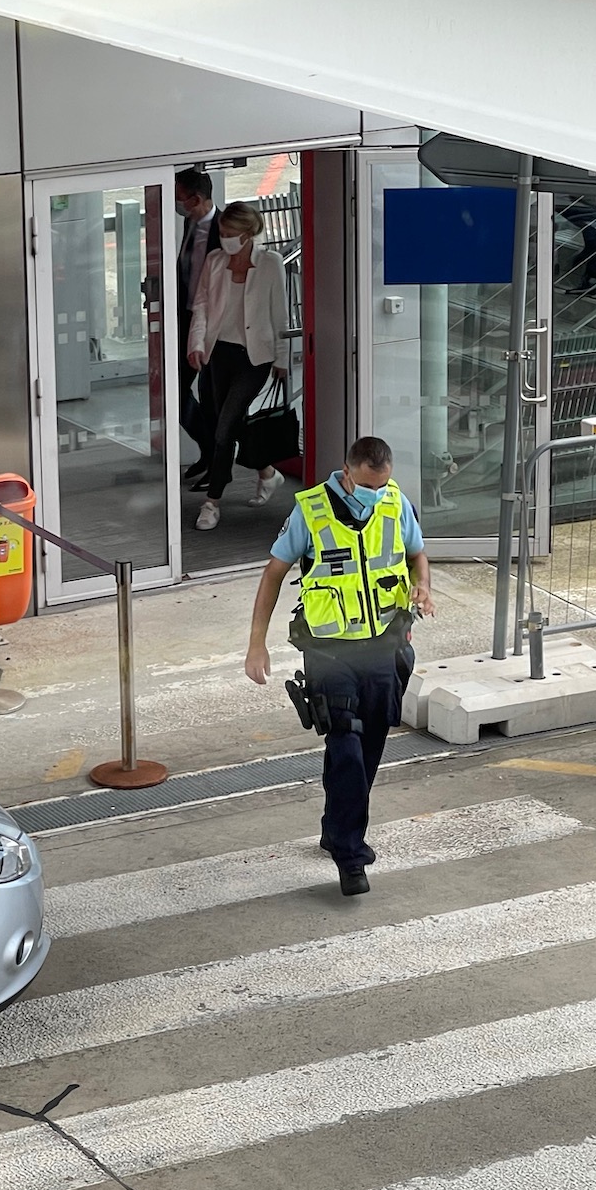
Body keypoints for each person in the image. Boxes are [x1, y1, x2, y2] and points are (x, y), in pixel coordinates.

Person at [243, 436, 435, 895]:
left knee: (367, 751)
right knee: (345, 742)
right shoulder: (310, 510)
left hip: (385, 645)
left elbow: (416, 553)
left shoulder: (395, 503)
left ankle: (335, 828)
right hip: (330, 651)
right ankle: (350, 856)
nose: (377, 493)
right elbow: (273, 573)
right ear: (347, 472)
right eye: (369, 485)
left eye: (383, 483)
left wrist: (423, 586)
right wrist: (256, 645)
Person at [187, 201, 290, 529]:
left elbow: (280, 314)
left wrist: (283, 358)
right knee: (228, 422)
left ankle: (212, 501)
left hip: (254, 357)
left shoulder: (271, 264)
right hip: (220, 354)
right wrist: (197, 344)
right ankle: (267, 473)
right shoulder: (215, 261)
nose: (225, 238)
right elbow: (201, 305)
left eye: (231, 234)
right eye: (222, 232)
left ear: (248, 234)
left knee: (223, 429)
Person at [175, 170, 218, 483]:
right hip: (186, 318)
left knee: (212, 395)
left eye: (180, 197)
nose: (177, 203)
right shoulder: (189, 223)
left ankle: (217, 462)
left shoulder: (224, 229)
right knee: (176, 394)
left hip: (213, 325)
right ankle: (208, 449)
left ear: (196, 199)